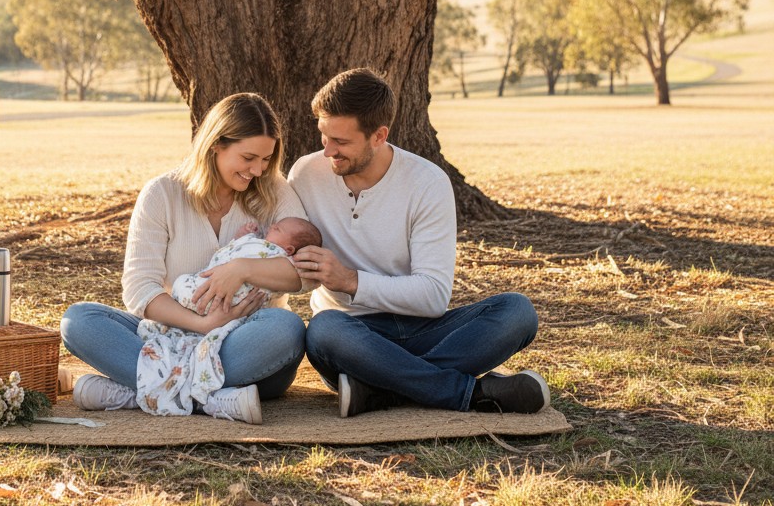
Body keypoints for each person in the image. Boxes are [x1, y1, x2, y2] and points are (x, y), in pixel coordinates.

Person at [288, 68, 547, 418]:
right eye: (324, 136)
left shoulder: (426, 183)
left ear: (379, 136)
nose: (328, 151)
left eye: (342, 142)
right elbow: (290, 265)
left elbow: (432, 296)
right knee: (323, 329)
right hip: (352, 339)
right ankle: (469, 394)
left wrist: (350, 280)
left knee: (517, 313)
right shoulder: (305, 176)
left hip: (424, 330)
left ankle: (381, 391)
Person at [61, 93, 308, 424]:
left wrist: (241, 268)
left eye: (266, 159)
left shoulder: (273, 191)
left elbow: (305, 274)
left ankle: (143, 393)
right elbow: (139, 289)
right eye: (249, 157)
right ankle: (212, 399)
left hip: (245, 342)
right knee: (79, 321)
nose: (258, 170)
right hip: (170, 337)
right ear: (216, 145)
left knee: (287, 329)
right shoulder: (162, 194)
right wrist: (203, 324)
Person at [167, 216, 322, 314]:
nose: (271, 227)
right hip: (211, 288)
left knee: (183, 283)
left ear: (289, 249)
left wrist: (241, 268)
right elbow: (236, 250)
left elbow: (304, 276)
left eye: (277, 229)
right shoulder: (258, 242)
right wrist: (242, 236)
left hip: (236, 301)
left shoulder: (276, 254)